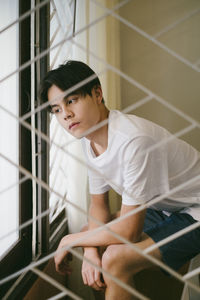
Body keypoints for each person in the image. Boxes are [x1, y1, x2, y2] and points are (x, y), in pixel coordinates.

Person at [39, 60, 200, 299]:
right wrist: (90, 252)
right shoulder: (90, 140)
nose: (66, 115)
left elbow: (129, 232)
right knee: (91, 236)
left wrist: (67, 240)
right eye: (57, 110)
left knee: (115, 257)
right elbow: (99, 206)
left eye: (71, 101)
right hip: (170, 208)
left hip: (195, 210)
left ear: (97, 94)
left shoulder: (132, 140)